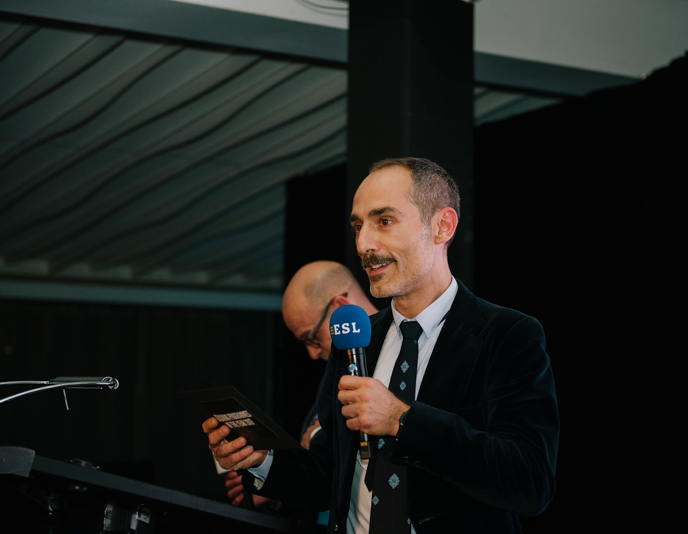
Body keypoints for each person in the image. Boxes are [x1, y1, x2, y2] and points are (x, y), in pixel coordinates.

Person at [206, 158, 560, 533]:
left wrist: (402, 421)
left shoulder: (507, 335)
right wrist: (263, 459)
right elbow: (331, 475)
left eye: (384, 221)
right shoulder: (354, 342)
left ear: (442, 226)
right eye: (358, 226)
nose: (363, 244)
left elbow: (530, 481)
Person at [223, 261, 377, 509]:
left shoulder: (401, 358)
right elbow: (324, 478)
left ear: (339, 308)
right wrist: (268, 471)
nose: (312, 354)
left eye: (312, 337)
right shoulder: (331, 379)